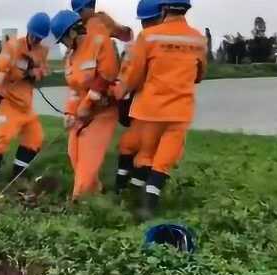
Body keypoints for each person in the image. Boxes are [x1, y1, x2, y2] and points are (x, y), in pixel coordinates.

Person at [113, 0, 207, 219]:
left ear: (163, 9)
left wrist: (123, 91)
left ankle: (130, 196)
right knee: (162, 161)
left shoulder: (149, 37)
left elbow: (135, 76)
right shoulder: (198, 39)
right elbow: (200, 75)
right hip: (180, 110)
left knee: (144, 155)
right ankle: (148, 205)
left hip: (151, 109)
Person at [50, 9, 119, 200]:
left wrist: (88, 103)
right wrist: (69, 113)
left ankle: (78, 201)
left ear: (72, 32)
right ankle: (96, 193)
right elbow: (73, 90)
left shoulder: (100, 42)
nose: (63, 44)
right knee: (74, 154)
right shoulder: (70, 58)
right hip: (81, 114)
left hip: (103, 112)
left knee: (88, 161)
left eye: (63, 39)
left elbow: (107, 76)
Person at [0, 12, 51, 181]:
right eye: (34, 36)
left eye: (39, 38)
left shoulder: (43, 51)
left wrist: (35, 73)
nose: (36, 40)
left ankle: (17, 176)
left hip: (26, 106)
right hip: (9, 103)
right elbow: (0, 70)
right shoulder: (13, 47)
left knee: (35, 138)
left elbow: (44, 70)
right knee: (2, 139)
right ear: (28, 31)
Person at [113, 0, 164, 194]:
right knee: (145, 152)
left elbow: (126, 75)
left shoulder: (135, 45)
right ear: (161, 16)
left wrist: (121, 92)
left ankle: (121, 190)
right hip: (153, 107)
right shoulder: (159, 43)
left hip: (135, 105)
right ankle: (133, 194)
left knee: (129, 145)